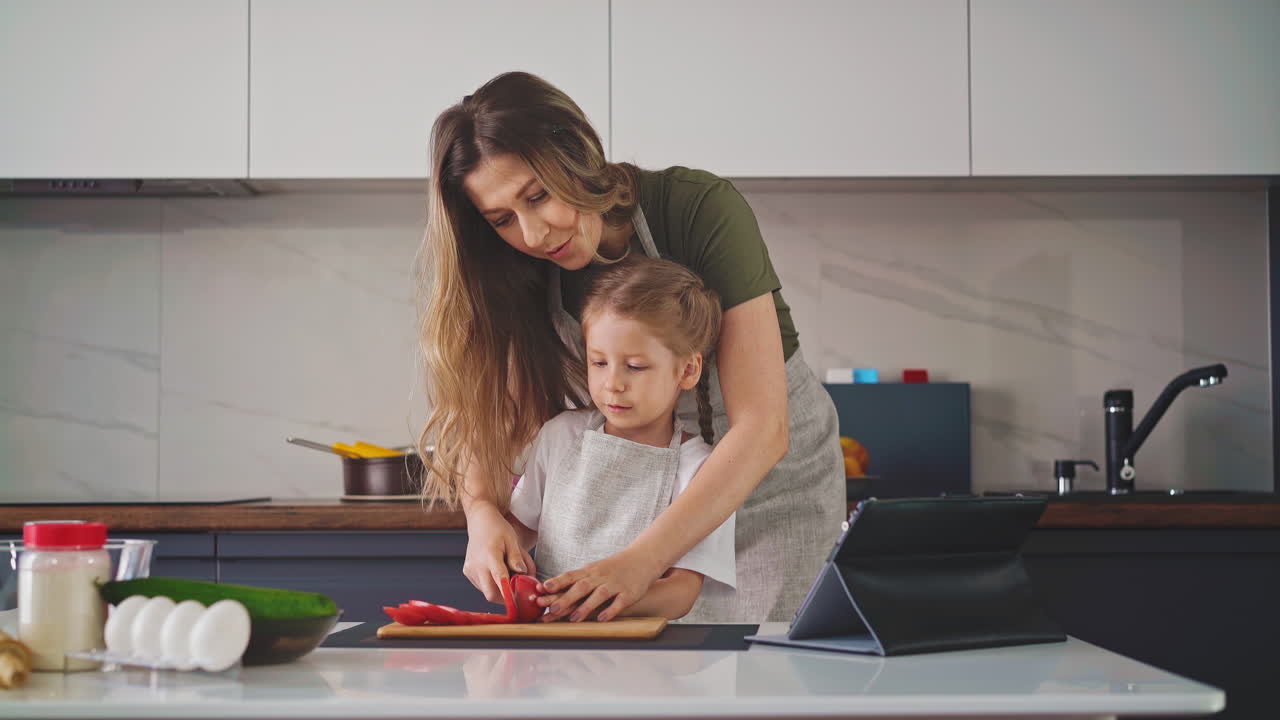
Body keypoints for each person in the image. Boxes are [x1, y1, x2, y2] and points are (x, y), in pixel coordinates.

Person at [417, 70, 844, 623]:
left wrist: (641, 562)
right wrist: (481, 514)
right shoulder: (516, 268)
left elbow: (763, 429)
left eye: (538, 195)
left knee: (761, 679)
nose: (534, 234)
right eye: (502, 219)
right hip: (636, 501)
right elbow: (488, 413)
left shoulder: (696, 207)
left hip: (771, 490)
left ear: (574, 150)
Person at [505, 256, 733, 621]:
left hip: (644, 661)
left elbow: (682, 593)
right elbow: (520, 530)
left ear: (687, 370)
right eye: (598, 362)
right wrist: (506, 564)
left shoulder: (704, 470)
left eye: (635, 366)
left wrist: (587, 606)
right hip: (550, 644)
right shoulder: (560, 436)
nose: (612, 383)